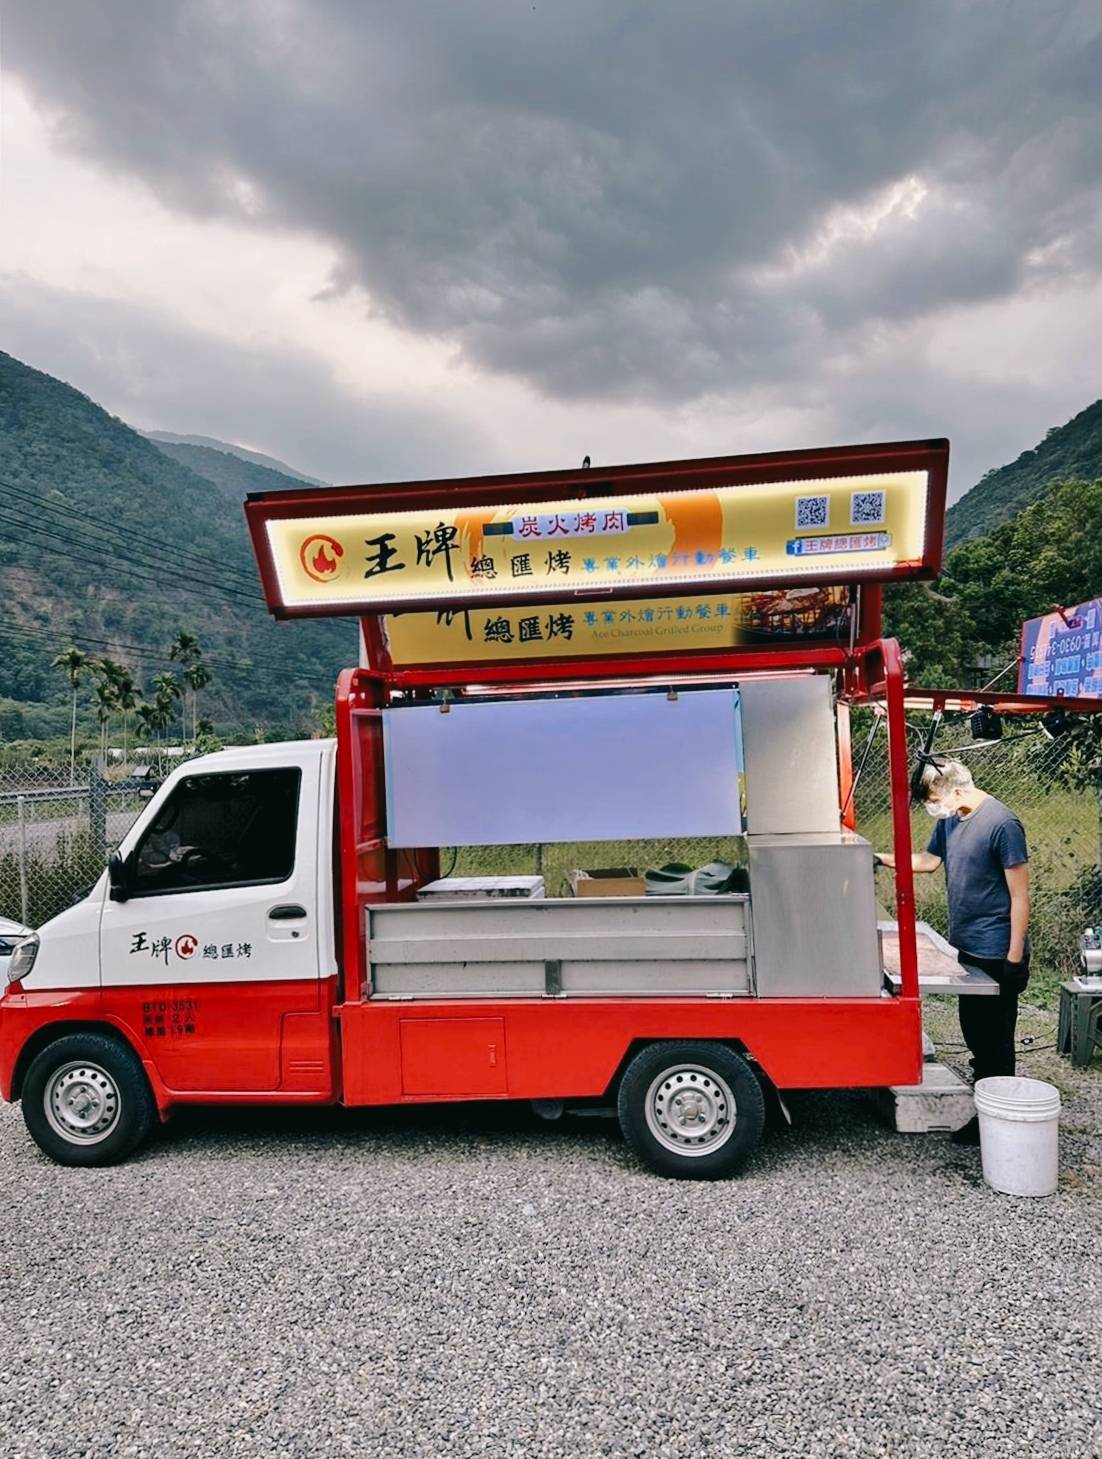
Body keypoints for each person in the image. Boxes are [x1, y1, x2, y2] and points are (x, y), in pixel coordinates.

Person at [875, 758, 1030, 1146]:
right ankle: (986, 1110)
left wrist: (1014, 958)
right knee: (975, 1031)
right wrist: (879, 858)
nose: (933, 807)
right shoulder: (950, 820)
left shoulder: (1002, 824)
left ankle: (998, 1123)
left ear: (956, 789)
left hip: (997, 950)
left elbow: (1020, 896)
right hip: (968, 946)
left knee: (995, 1040)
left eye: (933, 799)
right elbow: (927, 863)